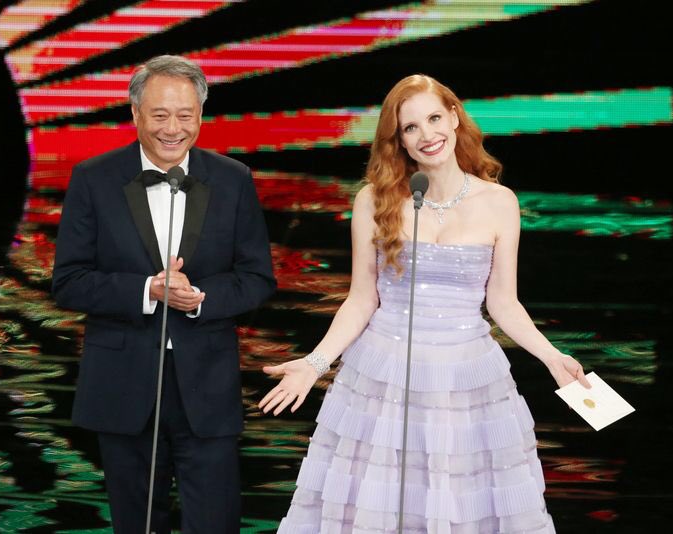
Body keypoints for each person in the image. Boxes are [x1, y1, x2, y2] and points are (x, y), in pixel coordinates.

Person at [259, 74, 591, 533]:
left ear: (454, 117)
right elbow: (361, 299)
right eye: (410, 127)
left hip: (464, 375)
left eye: (434, 118)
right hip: (384, 373)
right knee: (379, 503)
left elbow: (503, 302)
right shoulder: (374, 200)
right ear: (398, 140)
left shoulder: (499, 202)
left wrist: (552, 357)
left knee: (457, 502)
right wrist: (315, 364)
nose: (427, 135)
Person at [53, 55, 276, 533]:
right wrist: (147, 290)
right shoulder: (93, 178)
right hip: (122, 383)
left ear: (200, 115)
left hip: (207, 386)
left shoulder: (233, 179)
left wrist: (201, 297)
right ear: (135, 113)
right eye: (159, 115)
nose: (173, 129)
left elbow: (257, 278)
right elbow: (68, 280)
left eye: (185, 115)